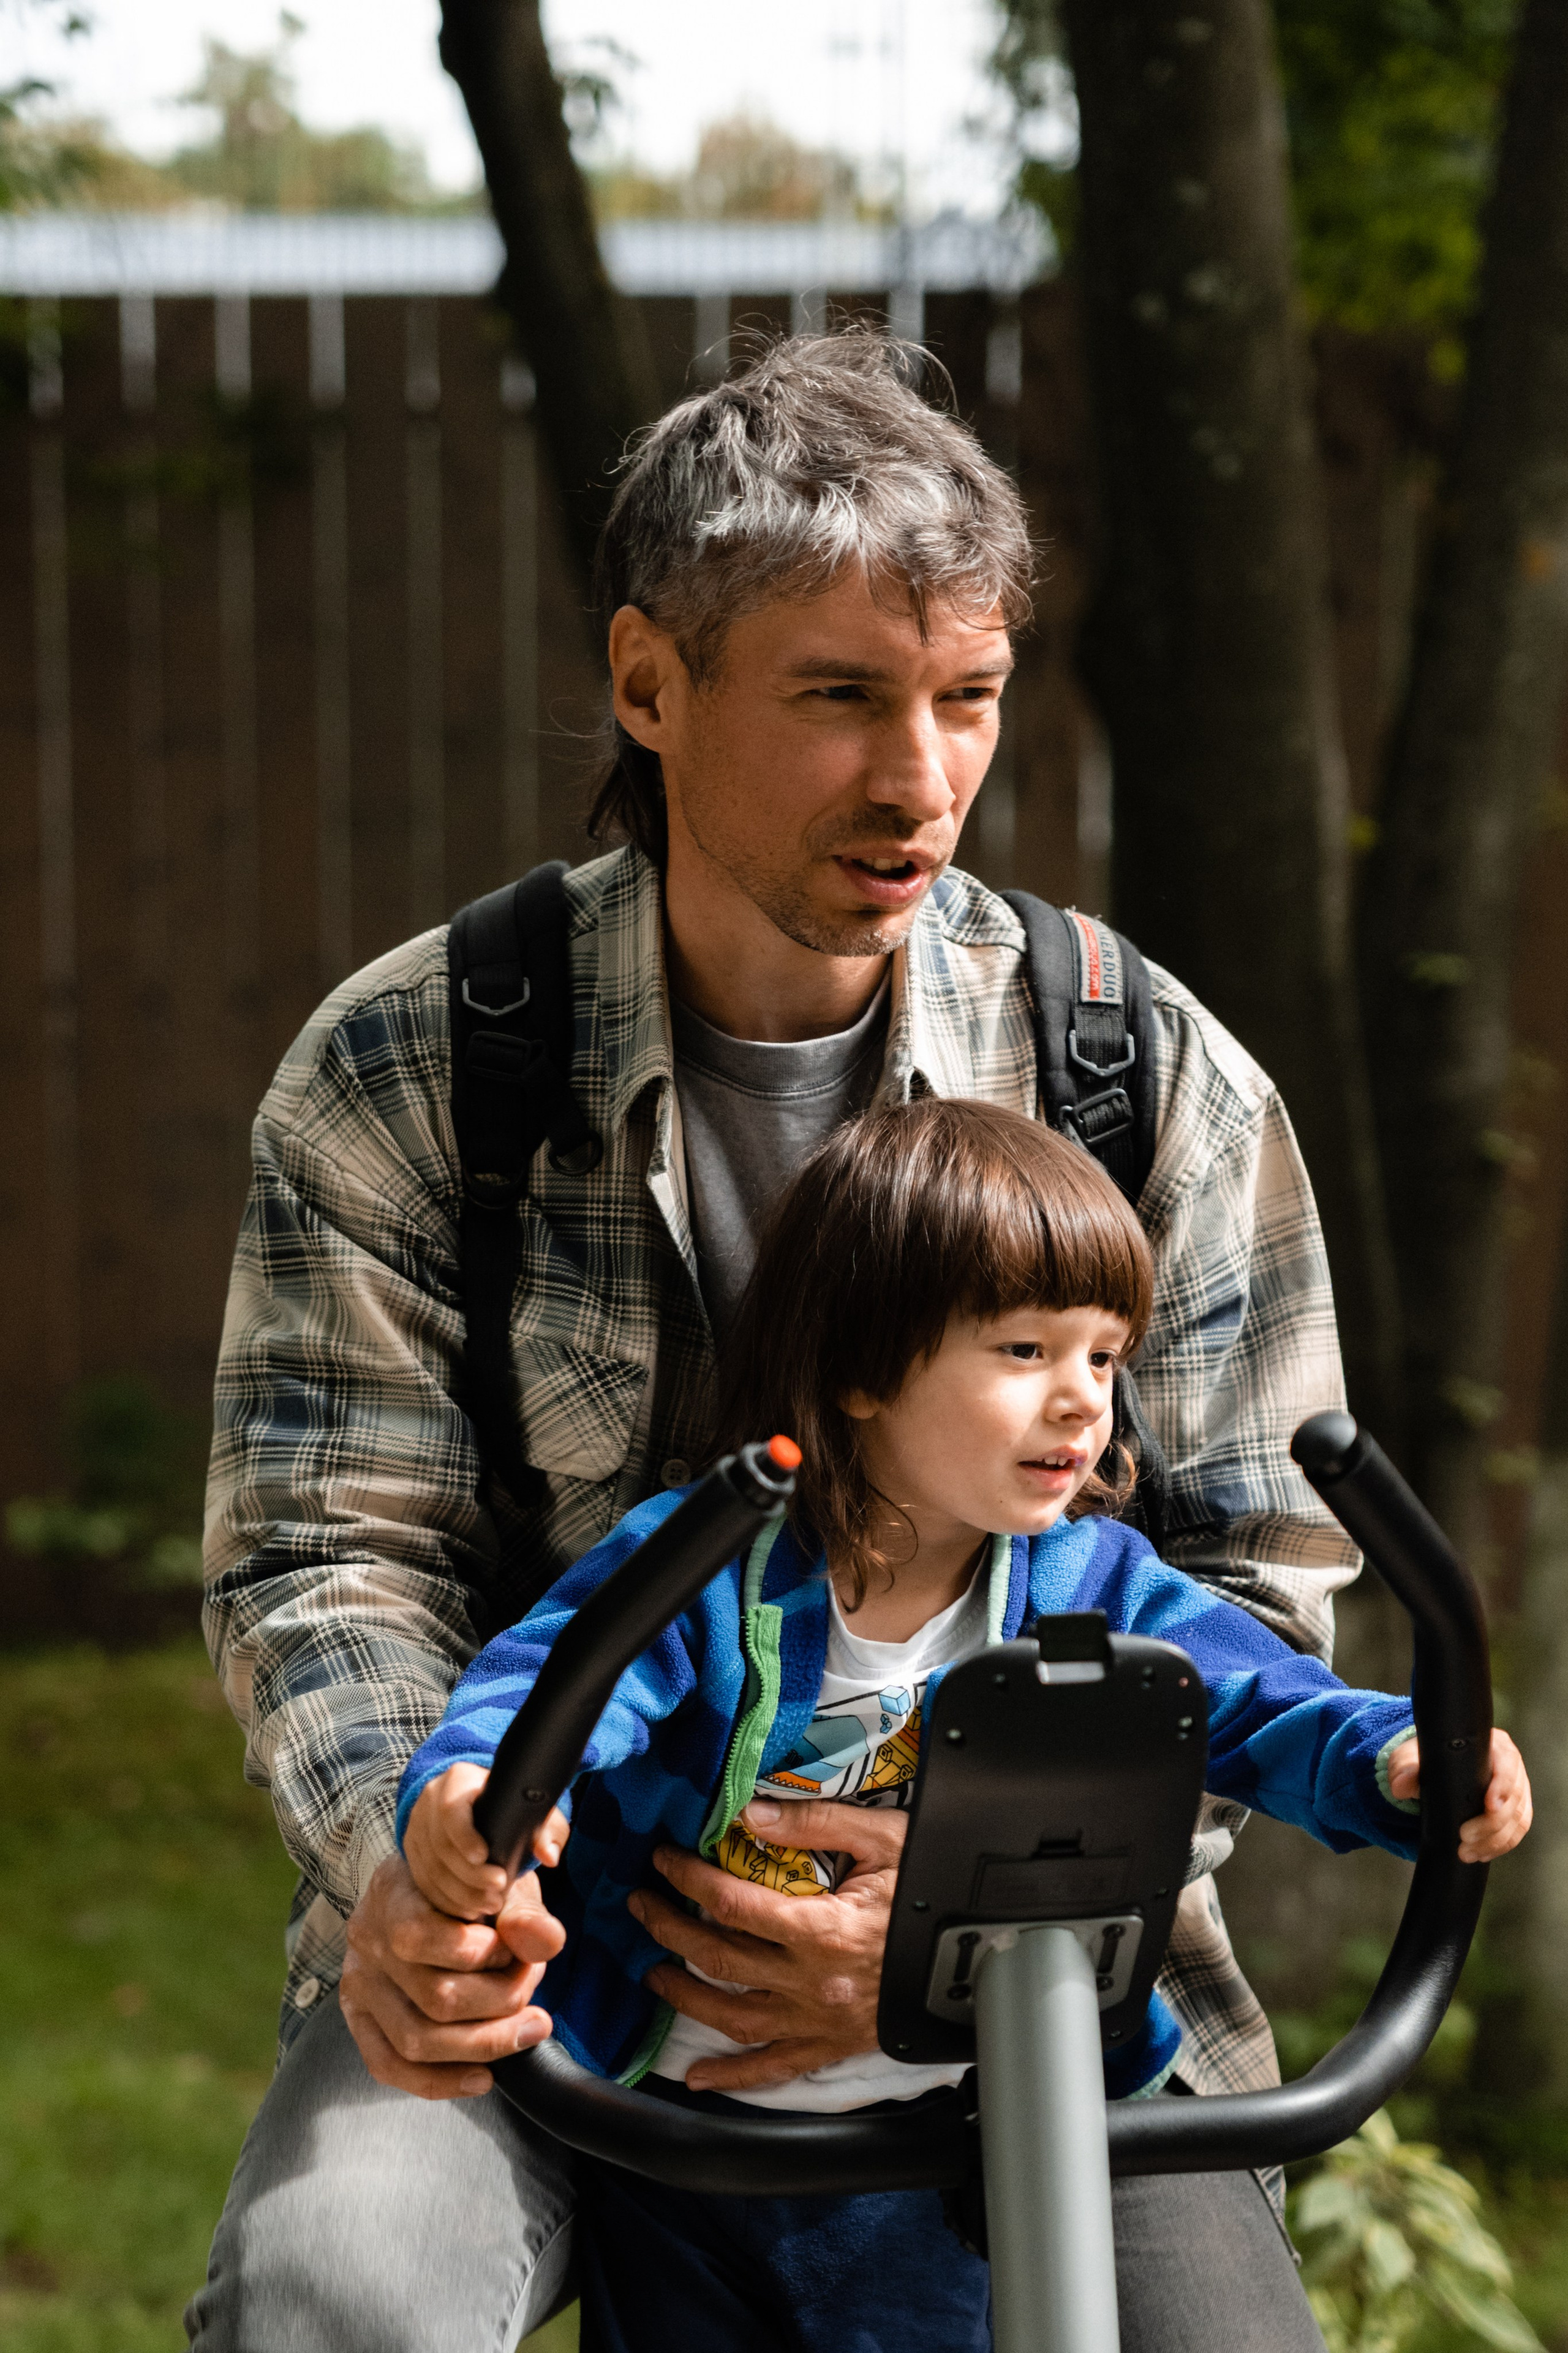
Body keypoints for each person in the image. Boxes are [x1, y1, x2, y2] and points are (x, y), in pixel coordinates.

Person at [192, 331, 1377, 2347]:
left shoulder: (1134, 1075)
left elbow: (1263, 1567)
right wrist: (439, 1863)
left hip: (1037, 1974)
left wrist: (974, 1922)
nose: (920, 775)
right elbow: (328, 1552)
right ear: (650, 683)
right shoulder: (420, 1072)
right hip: (538, 1967)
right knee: (337, 2295)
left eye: (969, 698)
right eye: (841, 696)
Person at [397, 1101, 1531, 2352]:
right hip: (683, 2147)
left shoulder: (1091, 1585)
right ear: (861, 1369)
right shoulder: (709, 1565)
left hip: (945, 2135)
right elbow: (560, 1677)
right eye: (1023, 1350)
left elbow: (1259, 1700)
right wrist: (487, 1793)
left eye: (1103, 1358)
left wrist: (1396, 1758)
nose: (1079, 1403)